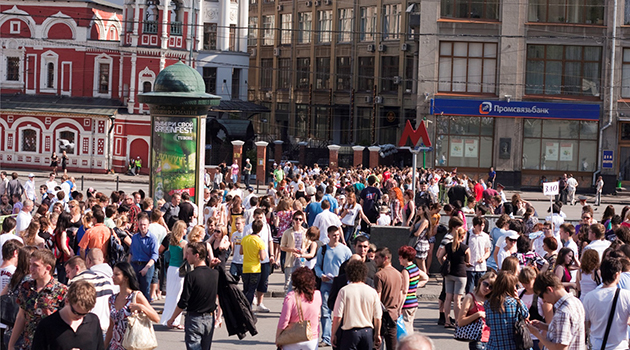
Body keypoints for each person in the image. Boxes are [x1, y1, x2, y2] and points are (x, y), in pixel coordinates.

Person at [8, 250, 68, 350]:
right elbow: (21, 316)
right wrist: (11, 344)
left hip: (50, 345)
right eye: (30, 264)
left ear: (48, 268)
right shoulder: (26, 287)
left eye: (35, 265)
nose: (31, 269)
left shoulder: (61, 291)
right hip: (28, 345)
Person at [167, 242, 221, 350]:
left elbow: (183, 301)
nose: (186, 256)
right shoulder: (214, 274)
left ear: (196, 256)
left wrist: (172, 318)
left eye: (188, 254)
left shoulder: (191, 276)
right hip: (209, 318)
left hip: (194, 319)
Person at [31, 280, 103, 350]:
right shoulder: (47, 326)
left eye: (84, 314)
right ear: (67, 301)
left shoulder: (93, 321)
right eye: (75, 312)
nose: (79, 317)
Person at [105, 262, 160, 350]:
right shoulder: (112, 299)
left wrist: (141, 307)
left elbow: (156, 318)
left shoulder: (136, 296)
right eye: (113, 274)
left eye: (117, 274)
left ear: (126, 277)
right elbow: (111, 326)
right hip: (115, 346)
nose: (113, 277)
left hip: (131, 344)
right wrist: (104, 346)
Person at [331, 259, 382, 350]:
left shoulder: (344, 291)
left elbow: (337, 316)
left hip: (350, 333)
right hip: (367, 332)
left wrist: (333, 333)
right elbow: (377, 316)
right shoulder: (372, 291)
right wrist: (377, 333)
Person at [315, 226, 352, 347]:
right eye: (334, 235)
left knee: (342, 311)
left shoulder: (345, 250)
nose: (336, 237)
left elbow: (350, 267)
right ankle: (326, 338)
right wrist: (321, 275)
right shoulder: (323, 249)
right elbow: (317, 266)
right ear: (329, 236)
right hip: (326, 284)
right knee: (325, 311)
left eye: (338, 235)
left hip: (341, 285)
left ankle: (340, 335)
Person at [527, 272, 585, 350]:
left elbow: (560, 348)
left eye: (541, 296)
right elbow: (569, 332)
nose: (543, 300)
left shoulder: (563, 312)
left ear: (549, 289)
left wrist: (537, 334)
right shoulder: (576, 301)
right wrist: (545, 326)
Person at [583, 257, 630, 350]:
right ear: (617, 275)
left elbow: (586, 325)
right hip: (619, 346)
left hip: (596, 345)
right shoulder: (626, 295)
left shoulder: (589, 297)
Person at [65, 254, 115, 335]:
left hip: (87, 328)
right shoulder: (105, 280)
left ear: (77, 268)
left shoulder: (75, 283)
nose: (67, 276)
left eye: (68, 272)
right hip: (107, 326)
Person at [275, 267, 322, 350]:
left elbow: (284, 321)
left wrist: (278, 338)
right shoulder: (317, 295)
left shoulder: (291, 297)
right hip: (312, 338)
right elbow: (318, 315)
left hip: (293, 338)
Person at [484, 271, 529, 350]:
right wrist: (517, 299)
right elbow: (526, 315)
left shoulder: (488, 303)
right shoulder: (515, 303)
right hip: (512, 345)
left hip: (494, 345)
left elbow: (488, 323)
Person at [438, 226, 470, 329]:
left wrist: (444, 264)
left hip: (449, 273)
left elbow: (439, 256)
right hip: (460, 274)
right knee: (457, 299)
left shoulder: (448, 246)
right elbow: (468, 261)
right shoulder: (465, 248)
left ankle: (447, 321)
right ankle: (457, 321)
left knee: (448, 298)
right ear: (463, 236)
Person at [457, 271, 496, 350]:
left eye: (491, 287)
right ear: (480, 281)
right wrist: (478, 314)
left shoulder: (491, 300)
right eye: (485, 284)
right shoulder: (470, 297)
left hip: (492, 340)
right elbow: (460, 322)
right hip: (478, 340)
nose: (487, 288)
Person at [374, 247, 403, 350]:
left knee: (377, 345)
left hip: (382, 317)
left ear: (385, 258)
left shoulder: (379, 275)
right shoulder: (399, 274)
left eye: (377, 257)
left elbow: (377, 298)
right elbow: (400, 296)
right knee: (392, 346)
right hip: (394, 315)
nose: (375, 259)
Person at [160, 220, 187, 328]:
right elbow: (185, 257)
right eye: (184, 228)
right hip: (179, 269)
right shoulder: (184, 243)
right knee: (178, 295)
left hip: (171, 268)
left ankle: (167, 318)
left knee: (170, 294)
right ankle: (175, 320)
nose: (186, 230)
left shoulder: (171, 242)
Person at [128, 212, 159, 300]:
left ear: (148, 225)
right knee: (134, 290)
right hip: (134, 265)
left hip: (146, 265)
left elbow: (154, 255)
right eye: (141, 225)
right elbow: (131, 253)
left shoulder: (152, 238)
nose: (143, 227)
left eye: (145, 225)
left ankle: (145, 310)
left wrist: (146, 268)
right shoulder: (134, 237)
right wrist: (128, 266)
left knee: (145, 291)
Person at [398, 245, 427, 335]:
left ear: (404, 257)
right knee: (410, 325)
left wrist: (399, 307)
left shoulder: (406, 271)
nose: (399, 258)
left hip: (407, 303)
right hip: (414, 302)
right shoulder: (415, 268)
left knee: (406, 329)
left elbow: (404, 290)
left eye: (400, 256)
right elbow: (425, 278)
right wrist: (415, 286)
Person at [279, 210, 308, 292]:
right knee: (288, 282)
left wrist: (304, 249)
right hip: (290, 259)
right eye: (296, 219)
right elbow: (282, 246)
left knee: (302, 281)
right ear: (293, 220)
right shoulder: (287, 232)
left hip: (301, 259)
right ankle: (287, 299)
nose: (298, 221)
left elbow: (309, 243)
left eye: (300, 219)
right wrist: (292, 249)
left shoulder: (305, 232)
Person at [240, 219, 267, 306]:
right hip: (255, 268)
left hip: (245, 267)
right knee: (252, 290)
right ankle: (248, 307)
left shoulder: (245, 239)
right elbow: (262, 258)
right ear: (261, 229)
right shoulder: (259, 241)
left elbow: (241, 252)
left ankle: (243, 306)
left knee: (246, 289)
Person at [466, 216, 491, 294]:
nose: (481, 228)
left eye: (482, 225)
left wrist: (483, 258)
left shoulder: (485, 236)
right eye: (479, 225)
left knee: (481, 291)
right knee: (469, 291)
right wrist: (465, 261)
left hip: (481, 267)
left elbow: (488, 251)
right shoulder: (467, 235)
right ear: (474, 225)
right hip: (470, 267)